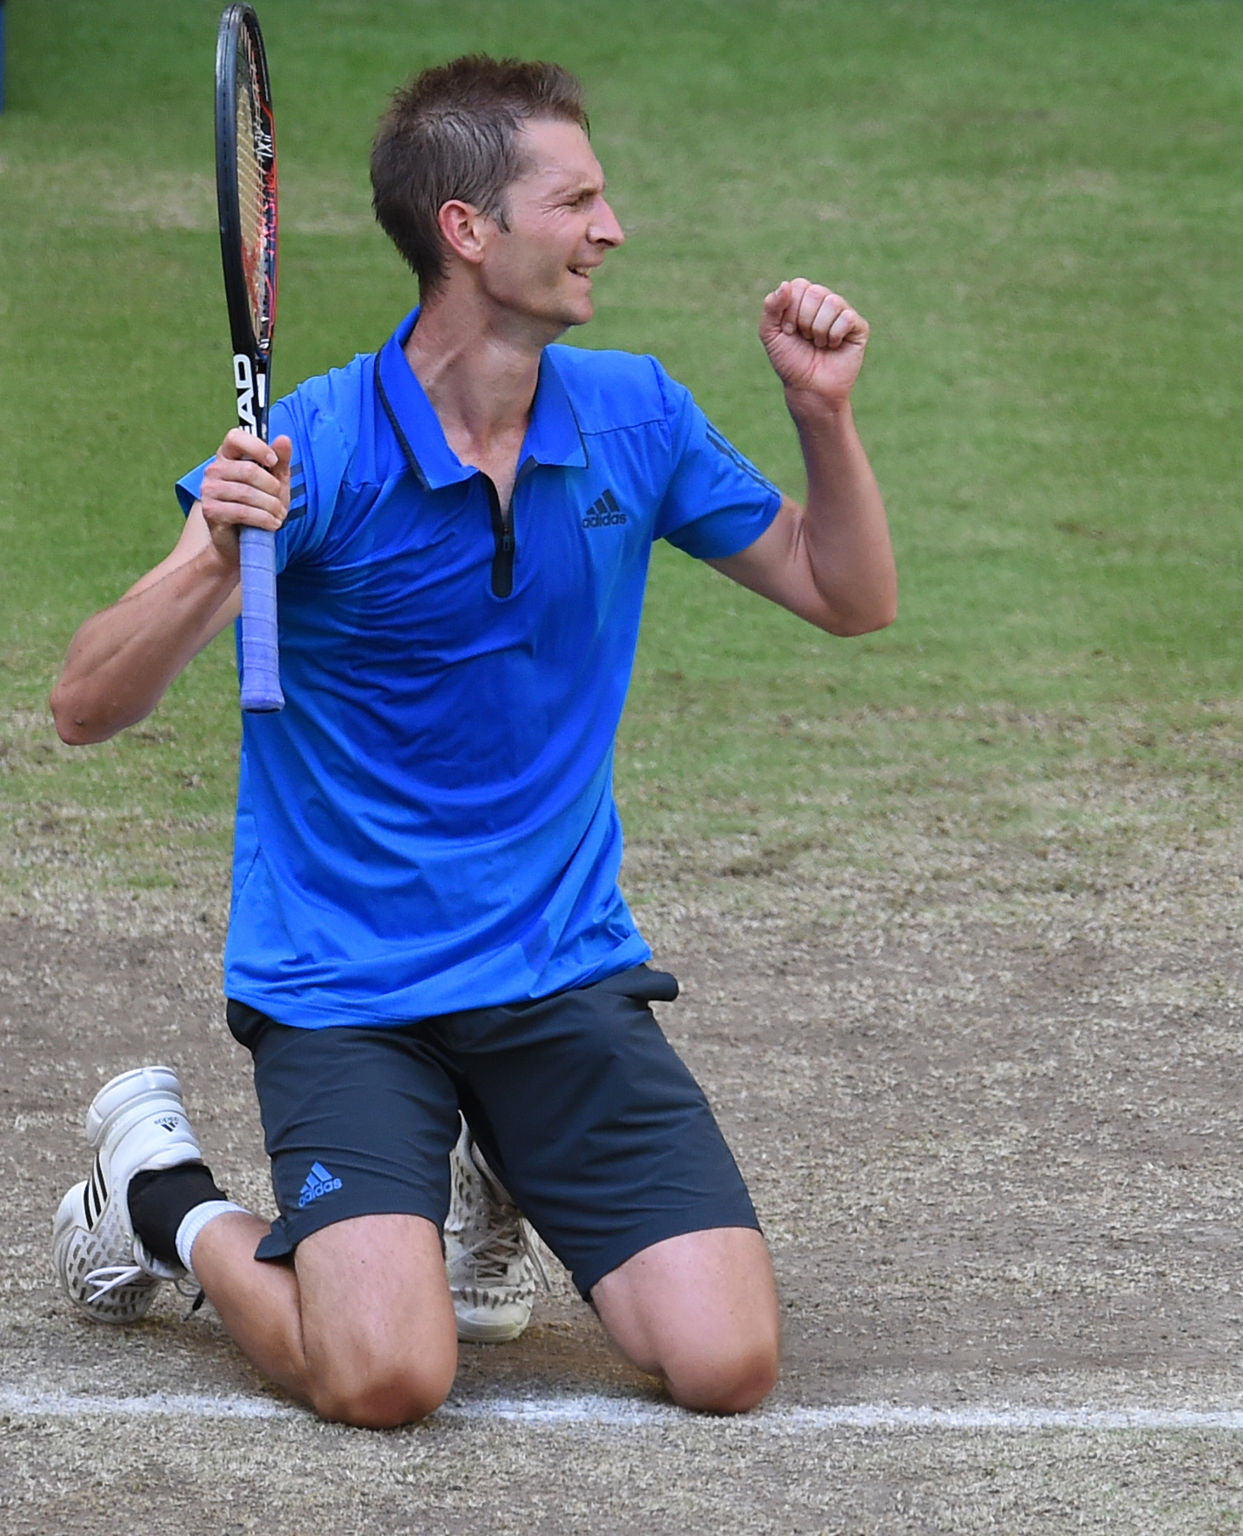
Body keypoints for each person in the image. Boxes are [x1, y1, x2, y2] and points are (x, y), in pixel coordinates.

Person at [49, 54, 896, 1428]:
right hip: (344, 988)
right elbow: (87, 705)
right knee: (386, 1375)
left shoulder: (635, 415)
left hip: (554, 969)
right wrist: (217, 554)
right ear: (467, 230)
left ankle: (496, 1156)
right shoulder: (314, 444)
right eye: (577, 200)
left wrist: (822, 416)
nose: (608, 231)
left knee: (726, 1365)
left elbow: (846, 595)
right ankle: (162, 1197)